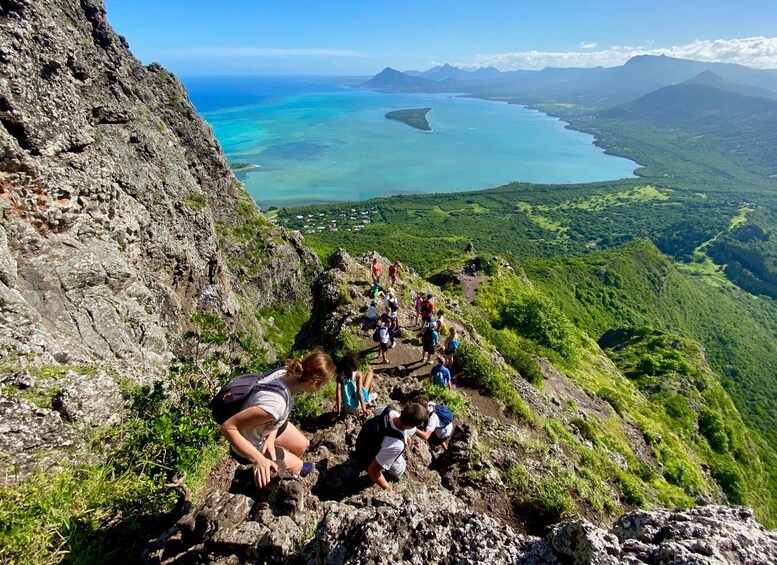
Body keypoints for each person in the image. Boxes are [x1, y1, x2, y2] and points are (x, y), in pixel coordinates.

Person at [220, 349, 336, 489]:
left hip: (263, 424)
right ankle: (280, 477)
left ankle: (284, 458)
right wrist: (259, 460)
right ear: (314, 382)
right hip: (249, 444)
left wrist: (271, 437)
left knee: (303, 444)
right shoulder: (275, 405)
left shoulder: (287, 373)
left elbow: (274, 414)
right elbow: (228, 428)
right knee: (299, 466)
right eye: (322, 385)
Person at [354, 402, 428, 489]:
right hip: (368, 460)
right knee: (400, 468)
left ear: (402, 410)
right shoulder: (397, 445)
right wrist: (387, 488)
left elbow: (389, 424)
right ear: (412, 426)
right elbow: (373, 471)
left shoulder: (387, 410)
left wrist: (404, 435)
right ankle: (394, 477)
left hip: (362, 444)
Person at [336, 351, 375, 416]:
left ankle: (369, 394)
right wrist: (364, 409)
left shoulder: (339, 377)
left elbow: (338, 395)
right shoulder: (358, 375)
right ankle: (369, 395)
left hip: (346, 409)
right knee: (370, 374)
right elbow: (359, 392)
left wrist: (338, 412)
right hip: (358, 407)